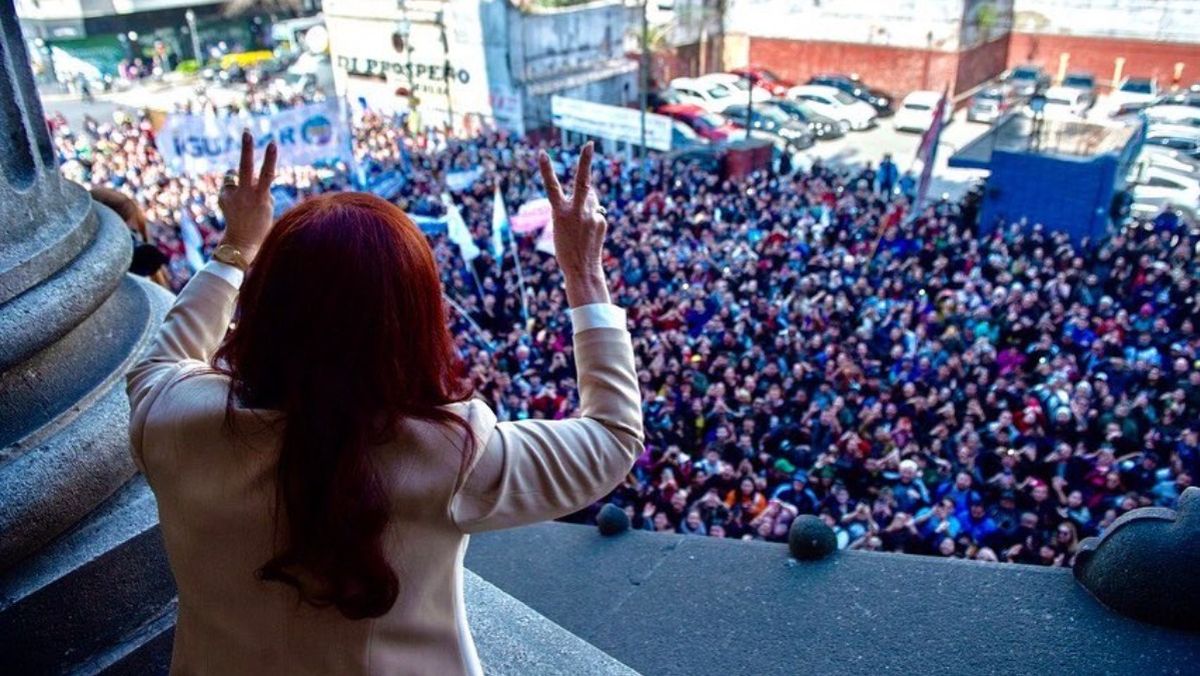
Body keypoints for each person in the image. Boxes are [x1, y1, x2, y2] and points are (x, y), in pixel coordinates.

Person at [125, 136, 642, 674]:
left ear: (264, 305)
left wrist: (236, 247)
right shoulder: (448, 452)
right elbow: (612, 438)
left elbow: (163, 358)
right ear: (410, 323)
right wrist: (584, 274)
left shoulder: (169, 415)